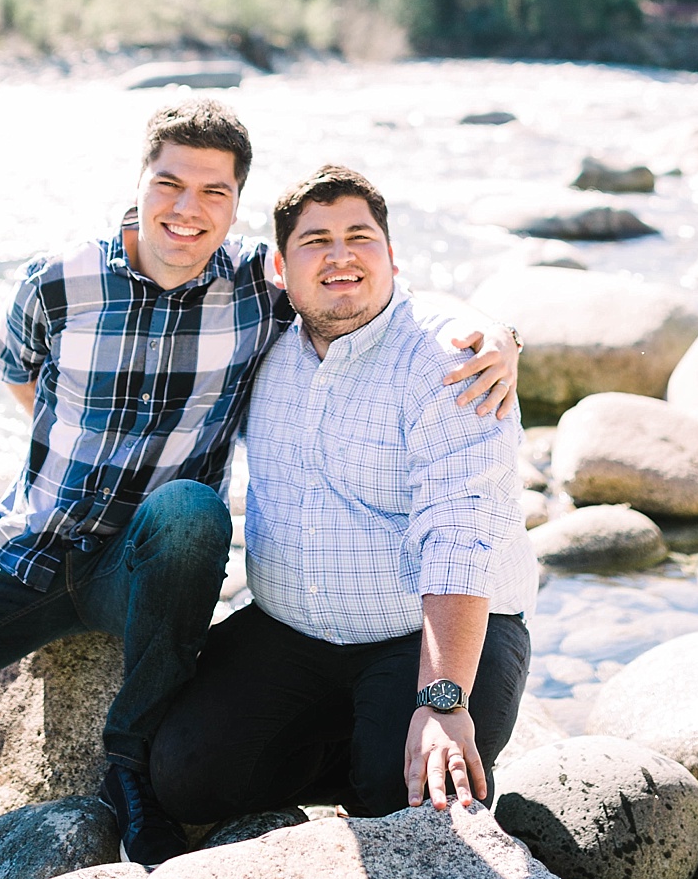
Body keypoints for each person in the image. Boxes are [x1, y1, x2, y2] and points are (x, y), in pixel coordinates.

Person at [0, 100, 520, 879]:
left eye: (213, 192)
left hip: (153, 564)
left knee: (189, 511)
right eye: (170, 183)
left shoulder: (256, 289)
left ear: (234, 208)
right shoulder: (61, 279)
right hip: (29, 557)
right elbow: (17, 370)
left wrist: (501, 332)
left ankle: (130, 759)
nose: (188, 209)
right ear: (140, 182)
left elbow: (363, 281)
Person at [149, 164, 536, 828]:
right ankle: (357, 747)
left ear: (392, 256)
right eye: (316, 240)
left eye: (361, 236)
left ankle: (383, 751)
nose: (341, 255)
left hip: (425, 631)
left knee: (412, 799)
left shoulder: (452, 356)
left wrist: (443, 703)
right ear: (279, 267)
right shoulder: (262, 340)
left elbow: (459, 532)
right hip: (294, 633)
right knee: (186, 777)